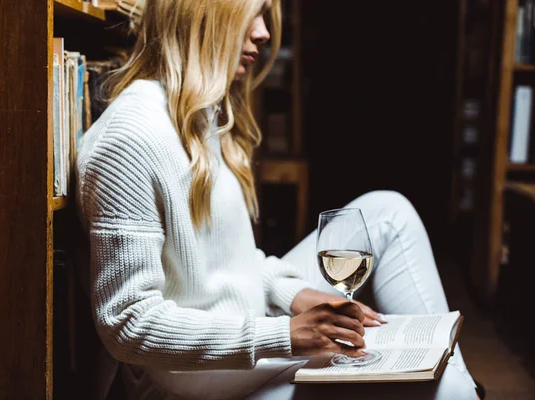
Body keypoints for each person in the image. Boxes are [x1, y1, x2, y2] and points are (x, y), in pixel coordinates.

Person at [74, 0, 482, 398]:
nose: (264, 33)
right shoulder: (130, 137)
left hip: (244, 337)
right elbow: (128, 323)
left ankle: (440, 368)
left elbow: (222, 263)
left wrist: (290, 293)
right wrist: (286, 334)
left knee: (389, 212)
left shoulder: (196, 113)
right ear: (202, 12)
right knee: (447, 390)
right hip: (195, 382)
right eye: (253, 13)